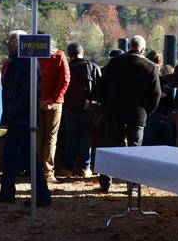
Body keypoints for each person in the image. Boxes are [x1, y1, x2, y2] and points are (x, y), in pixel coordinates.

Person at [96, 35, 161, 192]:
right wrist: (146, 111)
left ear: (129, 46)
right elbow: (156, 94)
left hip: (114, 112)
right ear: (143, 49)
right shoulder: (150, 67)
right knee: (134, 151)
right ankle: (133, 185)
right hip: (137, 114)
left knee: (111, 147)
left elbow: (100, 88)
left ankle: (105, 181)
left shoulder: (114, 63)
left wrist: (106, 106)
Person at [0, 31, 51, 206]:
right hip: (15, 117)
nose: (10, 44)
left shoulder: (27, 63)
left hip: (23, 118)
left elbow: (29, 93)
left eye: (14, 41)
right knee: (10, 156)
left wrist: (14, 110)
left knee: (28, 158)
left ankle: (42, 195)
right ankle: (7, 193)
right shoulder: (16, 62)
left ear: (22, 44)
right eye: (9, 41)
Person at [61, 42, 101, 178]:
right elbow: (99, 89)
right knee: (86, 139)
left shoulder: (66, 67)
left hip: (69, 109)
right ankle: (85, 168)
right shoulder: (92, 67)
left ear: (69, 55)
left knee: (70, 139)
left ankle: (67, 167)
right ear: (82, 53)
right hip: (88, 110)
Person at [38, 36, 70, 184]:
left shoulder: (32, 57)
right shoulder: (58, 55)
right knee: (51, 137)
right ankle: (48, 172)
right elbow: (65, 80)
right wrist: (52, 99)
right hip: (55, 103)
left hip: (38, 102)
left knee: (38, 135)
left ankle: (37, 169)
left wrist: (40, 100)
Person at [143, 50, 176, 147]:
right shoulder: (159, 78)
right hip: (155, 110)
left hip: (143, 109)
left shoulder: (142, 75)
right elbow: (158, 93)